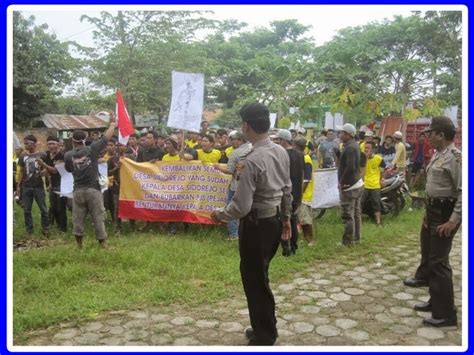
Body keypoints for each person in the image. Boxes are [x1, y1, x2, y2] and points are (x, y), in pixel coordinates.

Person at [210, 103, 292, 346]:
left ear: (246, 125)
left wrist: (219, 215)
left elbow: (241, 206)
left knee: (254, 280)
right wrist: (286, 219)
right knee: (260, 275)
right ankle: (262, 326)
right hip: (274, 221)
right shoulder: (280, 151)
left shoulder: (252, 159)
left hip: (256, 225)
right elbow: (287, 189)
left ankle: (265, 336)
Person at [403, 116, 461, 327]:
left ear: (441, 135)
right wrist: (428, 213)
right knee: (429, 255)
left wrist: (453, 221)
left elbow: (464, 192)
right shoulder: (439, 155)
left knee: (439, 262)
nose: (428, 136)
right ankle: (435, 301)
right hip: (434, 210)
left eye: (431, 133)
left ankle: (446, 314)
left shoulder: (455, 157)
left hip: (446, 213)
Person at [64, 117, 117, 248]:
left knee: (78, 218)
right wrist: (112, 124)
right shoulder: (91, 149)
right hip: (93, 190)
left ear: (73, 140)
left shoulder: (68, 155)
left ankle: (79, 245)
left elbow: (68, 170)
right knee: (98, 217)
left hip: (78, 190)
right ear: (85, 139)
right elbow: (105, 138)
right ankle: (103, 244)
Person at [213, 131, 252, 240]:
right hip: (251, 185)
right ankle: (246, 234)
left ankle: (234, 234)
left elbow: (229, 170)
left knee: (232, 209)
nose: (231, 142)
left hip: (236, 186)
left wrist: (218, 167)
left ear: (240, 140)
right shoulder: (253, 149)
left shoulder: (236, 152)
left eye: (233, 140)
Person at [274, 129, 304, 256]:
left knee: (284, 220)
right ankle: (294, 246)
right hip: (297, 192)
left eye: (278, 140)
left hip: (285, 192)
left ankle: (286, 248)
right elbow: (302, 175)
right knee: (293, 219)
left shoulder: (282, 155)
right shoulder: (299, 154)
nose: (277, 143)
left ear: (283, 140)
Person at [16, 135, 49, 237]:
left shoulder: (42, 155)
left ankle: (46, 229)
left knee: (43, 209)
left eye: (27, 143)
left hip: (38, 186)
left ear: (34, 144)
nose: (25, 145)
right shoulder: (22, 156)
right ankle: (29, 230)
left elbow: (48, 167)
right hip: (26, 187)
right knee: (27, 210)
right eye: (24, 143)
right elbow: (21, 171)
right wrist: (18, 185)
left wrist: (44, 170)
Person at [338, 123, 364, 246]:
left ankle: (348, 241)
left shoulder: (350, 148)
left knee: (348, 214)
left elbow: (350, 167)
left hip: (350, 186)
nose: (340, 135)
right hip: (356, 183)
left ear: (348, 134)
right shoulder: (354, 146)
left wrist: (343, 182)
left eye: (342, 133)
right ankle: (356, 239)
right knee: (356, 213)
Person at [39, 136, 67, 232]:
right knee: (53, 207)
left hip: (62, 184)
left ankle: (63, 229)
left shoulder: (62, 156)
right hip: (52, 184)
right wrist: (44, 171)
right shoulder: (47, 155)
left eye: (53, 143)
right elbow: (47, 170)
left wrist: (43, 165)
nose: (51, 146)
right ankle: (58, 226)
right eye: (49, 144)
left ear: (58, 144)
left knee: (61, 208)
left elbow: (55, 170)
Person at [293, 137, 315, 245]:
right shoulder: (300, 157)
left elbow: (306, 179)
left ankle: (310, 239)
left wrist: (300, 193)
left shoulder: (306, 159)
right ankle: (305, 238)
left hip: (305, 193)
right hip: (301, 192)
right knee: (301, 219)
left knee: (306, 219)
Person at [361, 141, 385, 226]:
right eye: (365, 148)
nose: (366, 150)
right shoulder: (362, 158)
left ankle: (378, 222)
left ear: (373, 149)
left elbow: (382, 170)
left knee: (376, 202)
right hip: (364, 183)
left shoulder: (378, 159)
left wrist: (382, 179)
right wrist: (365, 158)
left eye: (368, 148)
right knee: (360, 202)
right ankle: (358, 221)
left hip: (375, 184)